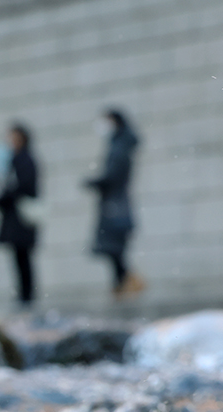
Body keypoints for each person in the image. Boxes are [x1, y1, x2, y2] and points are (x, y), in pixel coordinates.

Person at [84, 108, 145, 299]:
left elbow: (113, 176)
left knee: (114, 247)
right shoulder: (118, 144)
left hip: (115, 205)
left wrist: (97, 182)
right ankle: (122, 284)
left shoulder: (119, 146)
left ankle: (125, 282)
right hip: (115, 203)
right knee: (114, 248)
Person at [0, 123, 39, 308]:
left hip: (21, 218)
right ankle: (23, 295)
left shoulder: (25, 160)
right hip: (15, 217)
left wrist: (5, 198)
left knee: (23, 257)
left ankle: (26, 296)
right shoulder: (13, 160)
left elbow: (24, 187)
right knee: (19, 257)